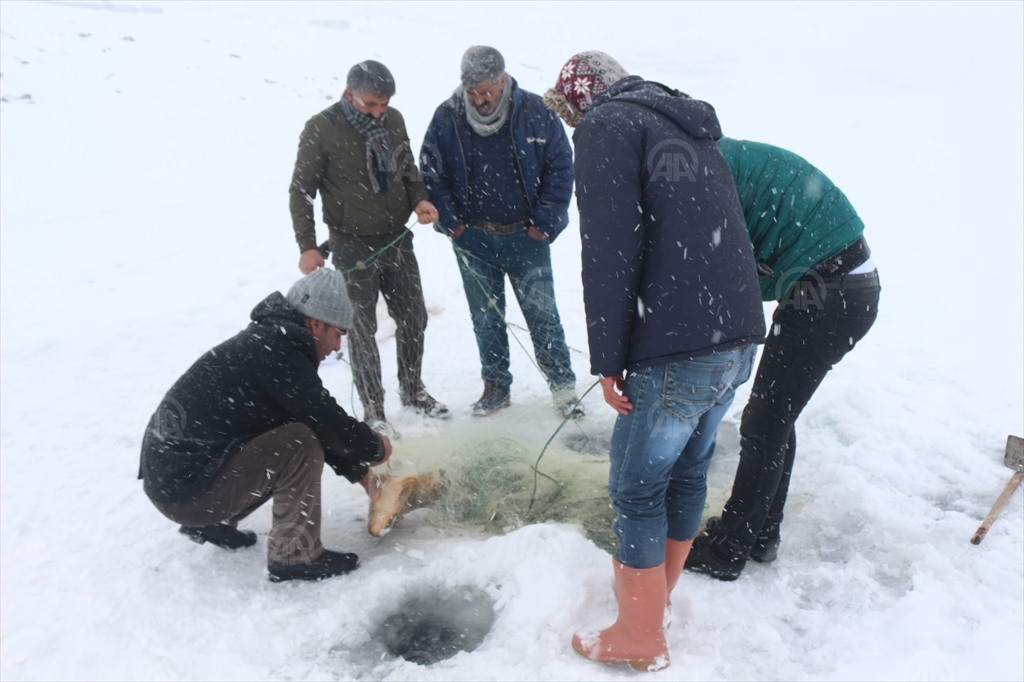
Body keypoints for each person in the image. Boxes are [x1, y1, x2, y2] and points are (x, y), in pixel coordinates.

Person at [545, 52, 766, 671]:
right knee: (688, 473)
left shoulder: (608, 125)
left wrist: (609, 357)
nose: (572, 127)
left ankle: (640, 636)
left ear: (580, 99)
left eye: (569, 115)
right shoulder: (685, 125)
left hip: (678, 342)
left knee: (636, 486)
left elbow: (611, 248)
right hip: (736, 336)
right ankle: (656, 604)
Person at [683, 138, 881, 581]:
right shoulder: (713, 160)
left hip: (832, 292)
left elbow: (732, 269)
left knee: (765, 422)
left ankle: (729, 548)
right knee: (773, 417)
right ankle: (759, 534)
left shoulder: (705, 177)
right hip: (837, 285)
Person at [139, 269, 392, 582]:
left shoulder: (270, 342)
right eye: (338, 332)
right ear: (315, 324)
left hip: (174, 482)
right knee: (298, 443)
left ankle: (207, 523)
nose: (338, 346)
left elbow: (305, 416)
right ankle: (294, 555)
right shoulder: (279, 352)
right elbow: (323, 421)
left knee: (290, 433)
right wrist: (375, 447)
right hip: (184, 492)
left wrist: (362, 475)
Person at [420, 46, 581, 419]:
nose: (479, 100)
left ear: (503, 80)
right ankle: (496, 388)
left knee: (543, 315)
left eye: (486, 92)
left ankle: (564, 390)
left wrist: (543, 225)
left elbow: (561, 169)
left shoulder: (537, 113)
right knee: (486, 318)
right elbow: (431, 172)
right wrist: (456, 226)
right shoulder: (447, 117)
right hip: (474, 239)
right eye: (472, 93)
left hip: (527, 239)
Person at [289, 60, 446, 433]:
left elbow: (407, 168)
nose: (379, 112)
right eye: (371, 105)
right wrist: (307, 245)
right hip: (350, 246)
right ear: (349, 95)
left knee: (413, 317)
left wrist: (419, 200)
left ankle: (412, 389)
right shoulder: (321, 128)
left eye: (384, 104)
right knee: (360, 329)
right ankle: (373, 407)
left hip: (396, 238)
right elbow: (300, 191)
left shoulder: (393, 121)